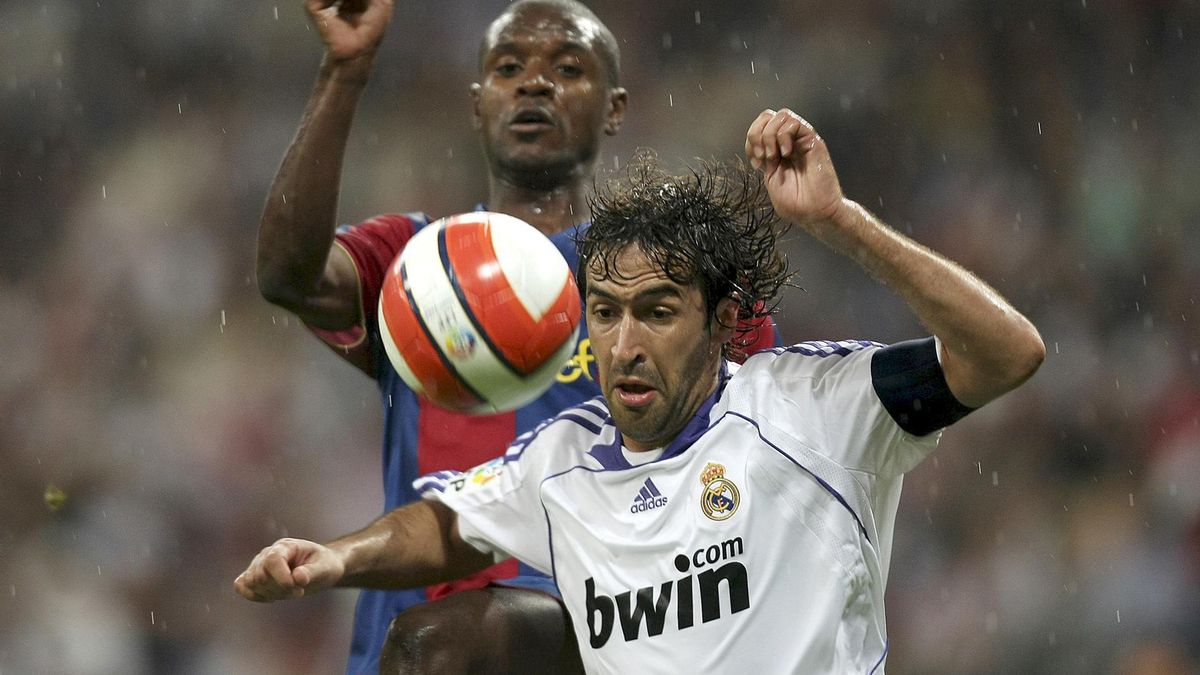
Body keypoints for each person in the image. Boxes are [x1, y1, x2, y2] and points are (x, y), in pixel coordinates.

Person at [237, 108, 1046, 672]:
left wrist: (839, 221)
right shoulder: (564, 459)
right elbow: (446, 523)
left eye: (657, 312)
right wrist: (333, 558)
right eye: (605, 312)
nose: (624, 344)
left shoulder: (812, 405)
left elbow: (1007, 352)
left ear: (722, 321)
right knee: (428, 645)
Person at [252, 1, 779, 672]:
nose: (534, 83)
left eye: (568, 68)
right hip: (410, 643)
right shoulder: (415, 265)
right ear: (477, 105)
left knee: (445, 643)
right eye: (508, 68)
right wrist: (345, 70)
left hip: (599, 627)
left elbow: (755, 456)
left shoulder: (678, 274)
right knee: (432, 646)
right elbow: (288, 277)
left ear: (615, 108)